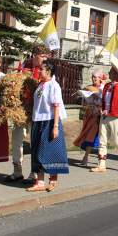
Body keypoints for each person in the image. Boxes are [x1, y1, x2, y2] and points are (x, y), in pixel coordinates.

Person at [6, 45, 50, 183]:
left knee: (34, 142)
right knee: (17, 140)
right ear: (35, 55)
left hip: (36, 111)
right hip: (21, 109)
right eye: (42, 56)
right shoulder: (24, 65)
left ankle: (34, 173)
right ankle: (17, 170)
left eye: (46, 57)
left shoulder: (45, 70)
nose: (44, 59)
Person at [27, 61, 69, 192]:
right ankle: (39, 182)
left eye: (42, 69)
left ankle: (53, 180)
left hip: (50, 121)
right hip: (38, 121)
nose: (39, 71)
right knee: (36, 151)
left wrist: (55, 126)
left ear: (49, 71)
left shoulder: (54, 86)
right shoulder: (40, 85)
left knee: (50, 151)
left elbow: (56, 106)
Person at [91, 59, 118, 173]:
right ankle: (101, 165)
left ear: (116, 74)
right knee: (102, 140)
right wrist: (101, 108)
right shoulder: (107, 86)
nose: (109, 73)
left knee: (116, 139)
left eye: (111, 71)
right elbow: (104, 101)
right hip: (105, 115)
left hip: (117, 116)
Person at [73, 70, 104, 166]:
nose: (94, 79)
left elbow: (105, 102)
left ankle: (87, 158)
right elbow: (84, 103)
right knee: (88, 135)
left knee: (93, 136)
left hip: (98, 115)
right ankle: (96, 158)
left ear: (100, 78)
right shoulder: (89, 88)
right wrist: (83, 95)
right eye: (92, 77)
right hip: (89, 114)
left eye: (96, 77)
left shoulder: (104, 88)